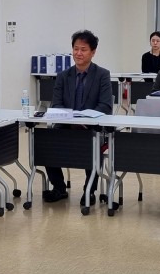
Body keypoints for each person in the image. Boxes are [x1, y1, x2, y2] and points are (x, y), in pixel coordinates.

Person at [42, 30, 113, 203]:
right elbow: (56, 105)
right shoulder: (63, 76)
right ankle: (59, 188)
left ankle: (89, 190)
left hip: (91, 128)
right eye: (75, 48)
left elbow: (105, 106)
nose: (78, 53)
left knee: (94, 145)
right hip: (66, 126)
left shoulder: (102, 75)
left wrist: (85, 120)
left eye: (83, 49)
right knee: (45, 142)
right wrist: (72, 119)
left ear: (93, 52)